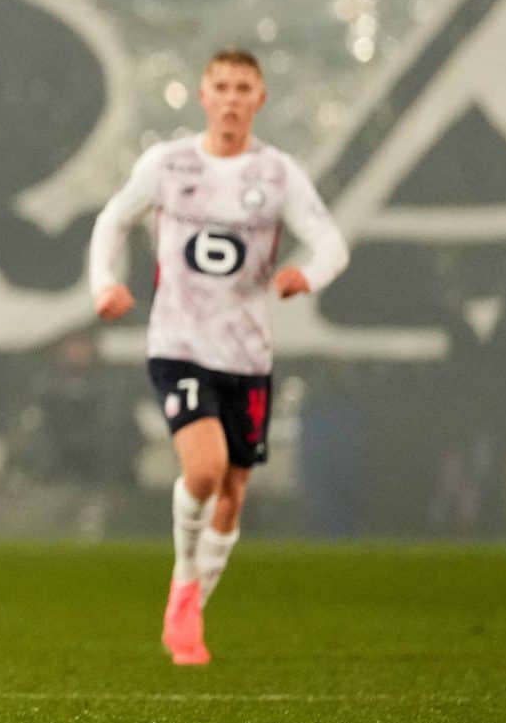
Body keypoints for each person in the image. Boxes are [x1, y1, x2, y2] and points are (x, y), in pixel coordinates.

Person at [88, 48, 348, 665]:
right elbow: (113, 218)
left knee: (232, 491)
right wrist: (104, 282)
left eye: (244, 88)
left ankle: (192, 608)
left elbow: (331, 242)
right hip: (178, 345)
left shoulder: (277, 173)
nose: (232, 98)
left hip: (248, 355)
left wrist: (306, 276)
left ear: (260, 99)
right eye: (222, 86)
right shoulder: (169, 164)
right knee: (204, 471)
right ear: (204, 96)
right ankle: (183, 585)